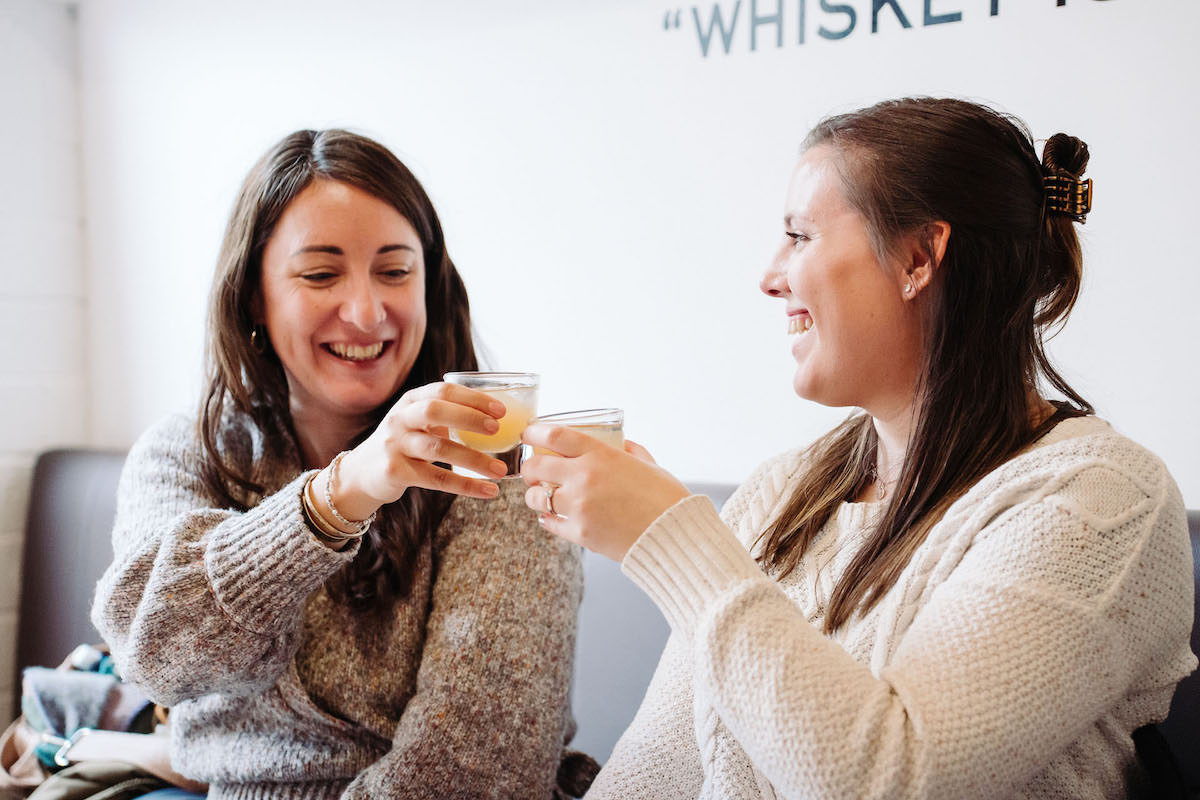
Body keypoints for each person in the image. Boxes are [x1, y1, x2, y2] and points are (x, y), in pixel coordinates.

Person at [518, 97, 1197, 799]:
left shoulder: (1103, 501)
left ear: (917, 257)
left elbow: (890, 781)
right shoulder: (780, 492)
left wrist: (669, 541)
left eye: (800, 236)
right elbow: (653, 774)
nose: (770, 275)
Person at [91, 129, 588, 800]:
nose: (365, 311)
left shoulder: (495, 464)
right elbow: (155, 654)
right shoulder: (186, 452)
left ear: (430, 287)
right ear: (252, 299)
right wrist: (334, 499)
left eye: (395, 270)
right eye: (321, 274)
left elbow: (477, 768)